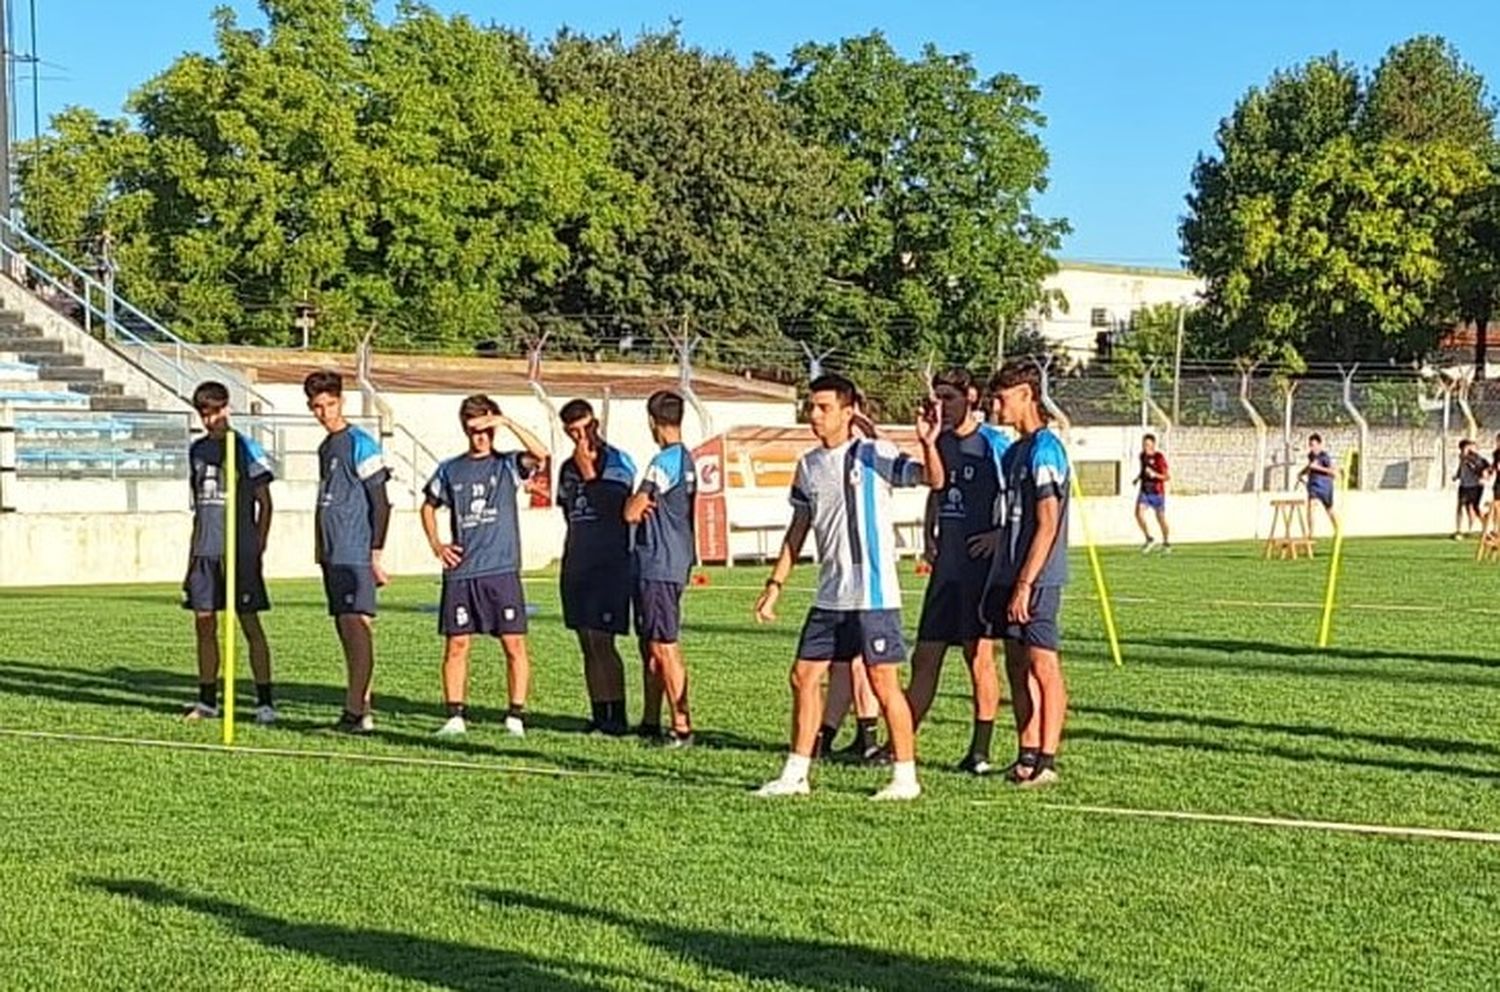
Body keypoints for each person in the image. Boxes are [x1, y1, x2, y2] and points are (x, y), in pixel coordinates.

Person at [753, 373, 944, 800]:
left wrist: (929, 444)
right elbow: (798, 526)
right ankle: (796, 774)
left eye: (824, 407)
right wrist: (775, 583)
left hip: (874, 596)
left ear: (848, 410)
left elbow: (932, 480)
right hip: (830, 595)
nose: (814, 415)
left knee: (882, 683)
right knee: (802, 676)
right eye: (811, 407)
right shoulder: (808, 466)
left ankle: (905, 777)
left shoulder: (873, 454)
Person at [421, 395, 548, 738]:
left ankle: (515, 716)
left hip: (501, 571)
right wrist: (438, 545)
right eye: (473, 429)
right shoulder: (450, 469)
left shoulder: (507, 464)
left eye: (485, 428)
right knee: (457, 645)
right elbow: (428, 506)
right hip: (462, 573)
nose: (480, 436)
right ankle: (455, 716)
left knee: (513, 645)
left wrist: (505, 422)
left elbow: (542, 454)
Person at [904, 367, 1009, 775]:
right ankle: (902, 743)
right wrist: (928, 529)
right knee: (925, 656)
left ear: (971, 397)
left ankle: (979, 750)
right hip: (944, 567)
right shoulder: (940, 442)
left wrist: (1000, 536)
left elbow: (1016, 497)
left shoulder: (994, 444)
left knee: (977, 658)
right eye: (937, 398)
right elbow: (937, 487)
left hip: (978, 570)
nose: (941, 407)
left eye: (949, 398)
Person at [980, 361, 1071, 788]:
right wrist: (997, 542)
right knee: (1016, 666)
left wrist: (1024, 584)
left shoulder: (1045, 450)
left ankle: (1048, 762)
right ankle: (1026, 753)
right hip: (1009, 574)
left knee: (1042, 665)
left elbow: (1047, 523)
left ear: (1026, 396)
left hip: (1037, 579)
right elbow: (1016, 518)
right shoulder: (1015, 451)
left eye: (1002, 397)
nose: (995, 405)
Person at [181, 381, 277, 724]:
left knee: (250, 624)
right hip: (206, 551)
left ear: (227, 409)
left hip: (239, 552)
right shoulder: (196, 451)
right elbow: (198, 509)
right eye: (204, 414)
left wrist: (257, 546)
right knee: (204, 624)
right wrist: (192, 558)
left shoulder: (246, 448)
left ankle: (265, 701)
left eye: (216, 412)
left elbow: (265, 503)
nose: (211, 420)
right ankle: (207, 700)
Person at [305, 370, 391, 734]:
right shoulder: (327, 446)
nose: (324, 412)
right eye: (316, 406)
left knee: (357, 628)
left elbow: (381, 501)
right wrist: (320, 545)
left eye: (329, 404)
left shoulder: (361, 441)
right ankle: (362, 709)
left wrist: (375, 552)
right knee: (347, 629)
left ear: (341, 401)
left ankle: (354, 713)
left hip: (355, 551)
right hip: (334, 552)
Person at [556, 398, 637, 735]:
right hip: (577, 561)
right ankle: (598, 712)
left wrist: (588, 469)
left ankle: (616, 715)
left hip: (609, 562)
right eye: (573, 431)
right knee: (586, 640)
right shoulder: (565, 468)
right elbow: (568, 509)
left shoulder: (617, 460)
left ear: (596, 424)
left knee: (604, 640)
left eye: (585, 429)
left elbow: (612, 506)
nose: (580, 437)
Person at [624, 390, 697, 746]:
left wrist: (634, 501)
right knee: (651, 645)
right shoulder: (687, 459)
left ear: (653, 422)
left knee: (665, 645)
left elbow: (631, 511)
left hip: (659, 562)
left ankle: (681, 726)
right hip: (672, 560)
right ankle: (650, 721)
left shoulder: (662, 461)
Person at [1133, 433, 1171, 553]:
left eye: (1148, 445)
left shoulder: (1159, 457)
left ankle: (1166, 543)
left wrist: (1155, 475)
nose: (1146, 447)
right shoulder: (1142, 456)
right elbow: (1143, 470)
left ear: (1154, 445)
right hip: (1145, 491)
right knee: (1138, 513)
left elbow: (1167, 477)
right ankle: (1149, 538)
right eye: (1144, 445)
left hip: (1157, 492)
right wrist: (1138, 478)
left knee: (1160, 518)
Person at [1297, 433, 1339, 539]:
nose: (1312, 447)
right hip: (1314, 486)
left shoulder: (1324, 457)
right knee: (1311, 506)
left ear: (1320, 445)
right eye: (1310, 445)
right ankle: (1311, 532)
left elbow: (1332, 472)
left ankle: (1338, 529)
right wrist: (1302, 473)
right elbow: (1310, 467)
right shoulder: (1311, 455)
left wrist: (1318, 468)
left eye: (1314, 445)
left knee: (1329, 509)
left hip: (1325, 486)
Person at [1452, 439, 1488, 540]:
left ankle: (1484, 527)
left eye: (1468, 447)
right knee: (1460, 506)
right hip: (1463, 485)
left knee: (1475, 508)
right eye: (1465, 448)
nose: (1467, 449)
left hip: (1474, 486)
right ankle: (1458, 530)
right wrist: (1457, 475)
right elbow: (1461, 468)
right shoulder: (1461, 457)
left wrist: (1482, 476)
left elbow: (1482, 467)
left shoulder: (1475, 458)